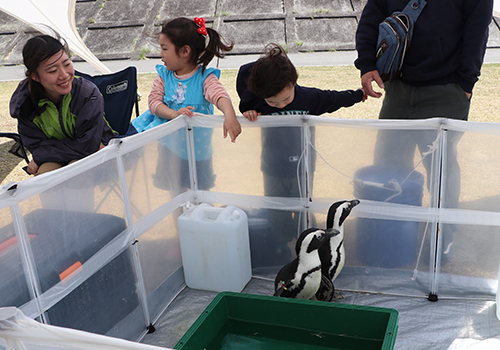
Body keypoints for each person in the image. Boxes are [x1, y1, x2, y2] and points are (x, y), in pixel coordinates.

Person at [354, 0, 493, 260]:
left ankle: (442, 237)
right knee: (388, 165)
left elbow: (477, 31)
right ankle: (390, 235)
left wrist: (465, 84)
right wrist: (367, 63)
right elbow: (373, 14)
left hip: (447, 91)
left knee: (442, 171)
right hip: (398, 87)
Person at [237, 43, 365, 263]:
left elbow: (334, 98)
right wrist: (247, 107)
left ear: (293, 82)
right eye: (272, 103)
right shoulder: (258, 98)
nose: (279, 105)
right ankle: (280, 246)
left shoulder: (308, 98)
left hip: (303, 166)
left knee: (305, 206)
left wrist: (359, 94)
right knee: (277, 209)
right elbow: (244, 72)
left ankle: (311, 243)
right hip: (272, 166)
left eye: (286, 100)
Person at [128, 17, 241, 191]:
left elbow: (220, 95)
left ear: (185, 51)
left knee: (202, 194)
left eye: (164, 49)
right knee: (176, 192)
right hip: (170, 151)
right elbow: (153, 102)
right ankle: (180, 220)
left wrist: (230, 115)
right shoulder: (164, 76)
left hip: (200, 154)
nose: (161, 54)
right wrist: (174, 114)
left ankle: (202, 219)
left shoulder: (205, 78)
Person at [10, 32, 116, 176]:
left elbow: (88, 144)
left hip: (94, 150)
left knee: (76, 169)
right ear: (35, 76)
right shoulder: (25, 104)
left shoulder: (87, 94)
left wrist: (42, 155)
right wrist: (43, 155)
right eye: (53, 70)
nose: (64, 75)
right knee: (45, 174)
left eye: (67, 64)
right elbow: (36, 145)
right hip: (60, 156)